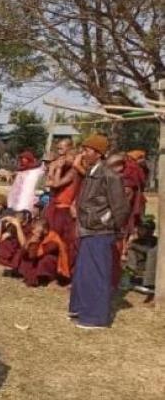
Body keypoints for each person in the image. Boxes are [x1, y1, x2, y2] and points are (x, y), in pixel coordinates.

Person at [70, 134, 130, 329]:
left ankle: (95, 318)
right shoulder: (92, 172)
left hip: (100, 232)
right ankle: (81, 309)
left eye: (86, 150)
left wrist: (106, 222)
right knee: (84, 273)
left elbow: (120, 207)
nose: (83, 153)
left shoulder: (109, 175)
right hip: (88, 229)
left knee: (97, 274)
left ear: (98, 153)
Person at [45, 138, 80, 270]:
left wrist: (57, 169)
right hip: (55, 202)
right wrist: (53, 169)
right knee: (51, 234)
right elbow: (48, 183)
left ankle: (63, 267)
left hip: (66, 205)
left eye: (62, 148)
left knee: (64, 239)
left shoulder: (74, 168)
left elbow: (56, 183)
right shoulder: (58, 163)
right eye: (58, 148)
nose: (60, 152)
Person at [19, 219, 69, 286]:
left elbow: (35, 255)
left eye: (37, 230)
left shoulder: (53, 239)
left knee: (46, 259)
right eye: (34, 230)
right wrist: (28, 243)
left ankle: (49, 277)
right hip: (36, 258)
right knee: (25, 258)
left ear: (45, 230)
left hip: (52, 263)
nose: (34, 232)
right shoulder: (34, 235)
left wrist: (35, 243)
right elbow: (24, 252)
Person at [0, 212, 30, 276]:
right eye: (15, 219)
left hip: (20, 253)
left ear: (24, 221)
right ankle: (10, 267)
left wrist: (18, 226)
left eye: (19, 219)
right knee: (5, 243)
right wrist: (0, 223)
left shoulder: (27, 228)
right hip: (10, 255)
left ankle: (14, 269)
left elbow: (23, 244)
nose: (14, 221)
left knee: (20, 253)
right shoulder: (11, 227)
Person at [126, 219, 157, 290]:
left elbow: (150, 251)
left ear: (151, 231)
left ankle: (149, 283)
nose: (140, 230)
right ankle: (132, 275)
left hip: (153, 268)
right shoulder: (137, 241)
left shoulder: (154, 240)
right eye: (140, 228)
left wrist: (134, 245)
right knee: (131, 250)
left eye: (144, 229)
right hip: (141, 266)